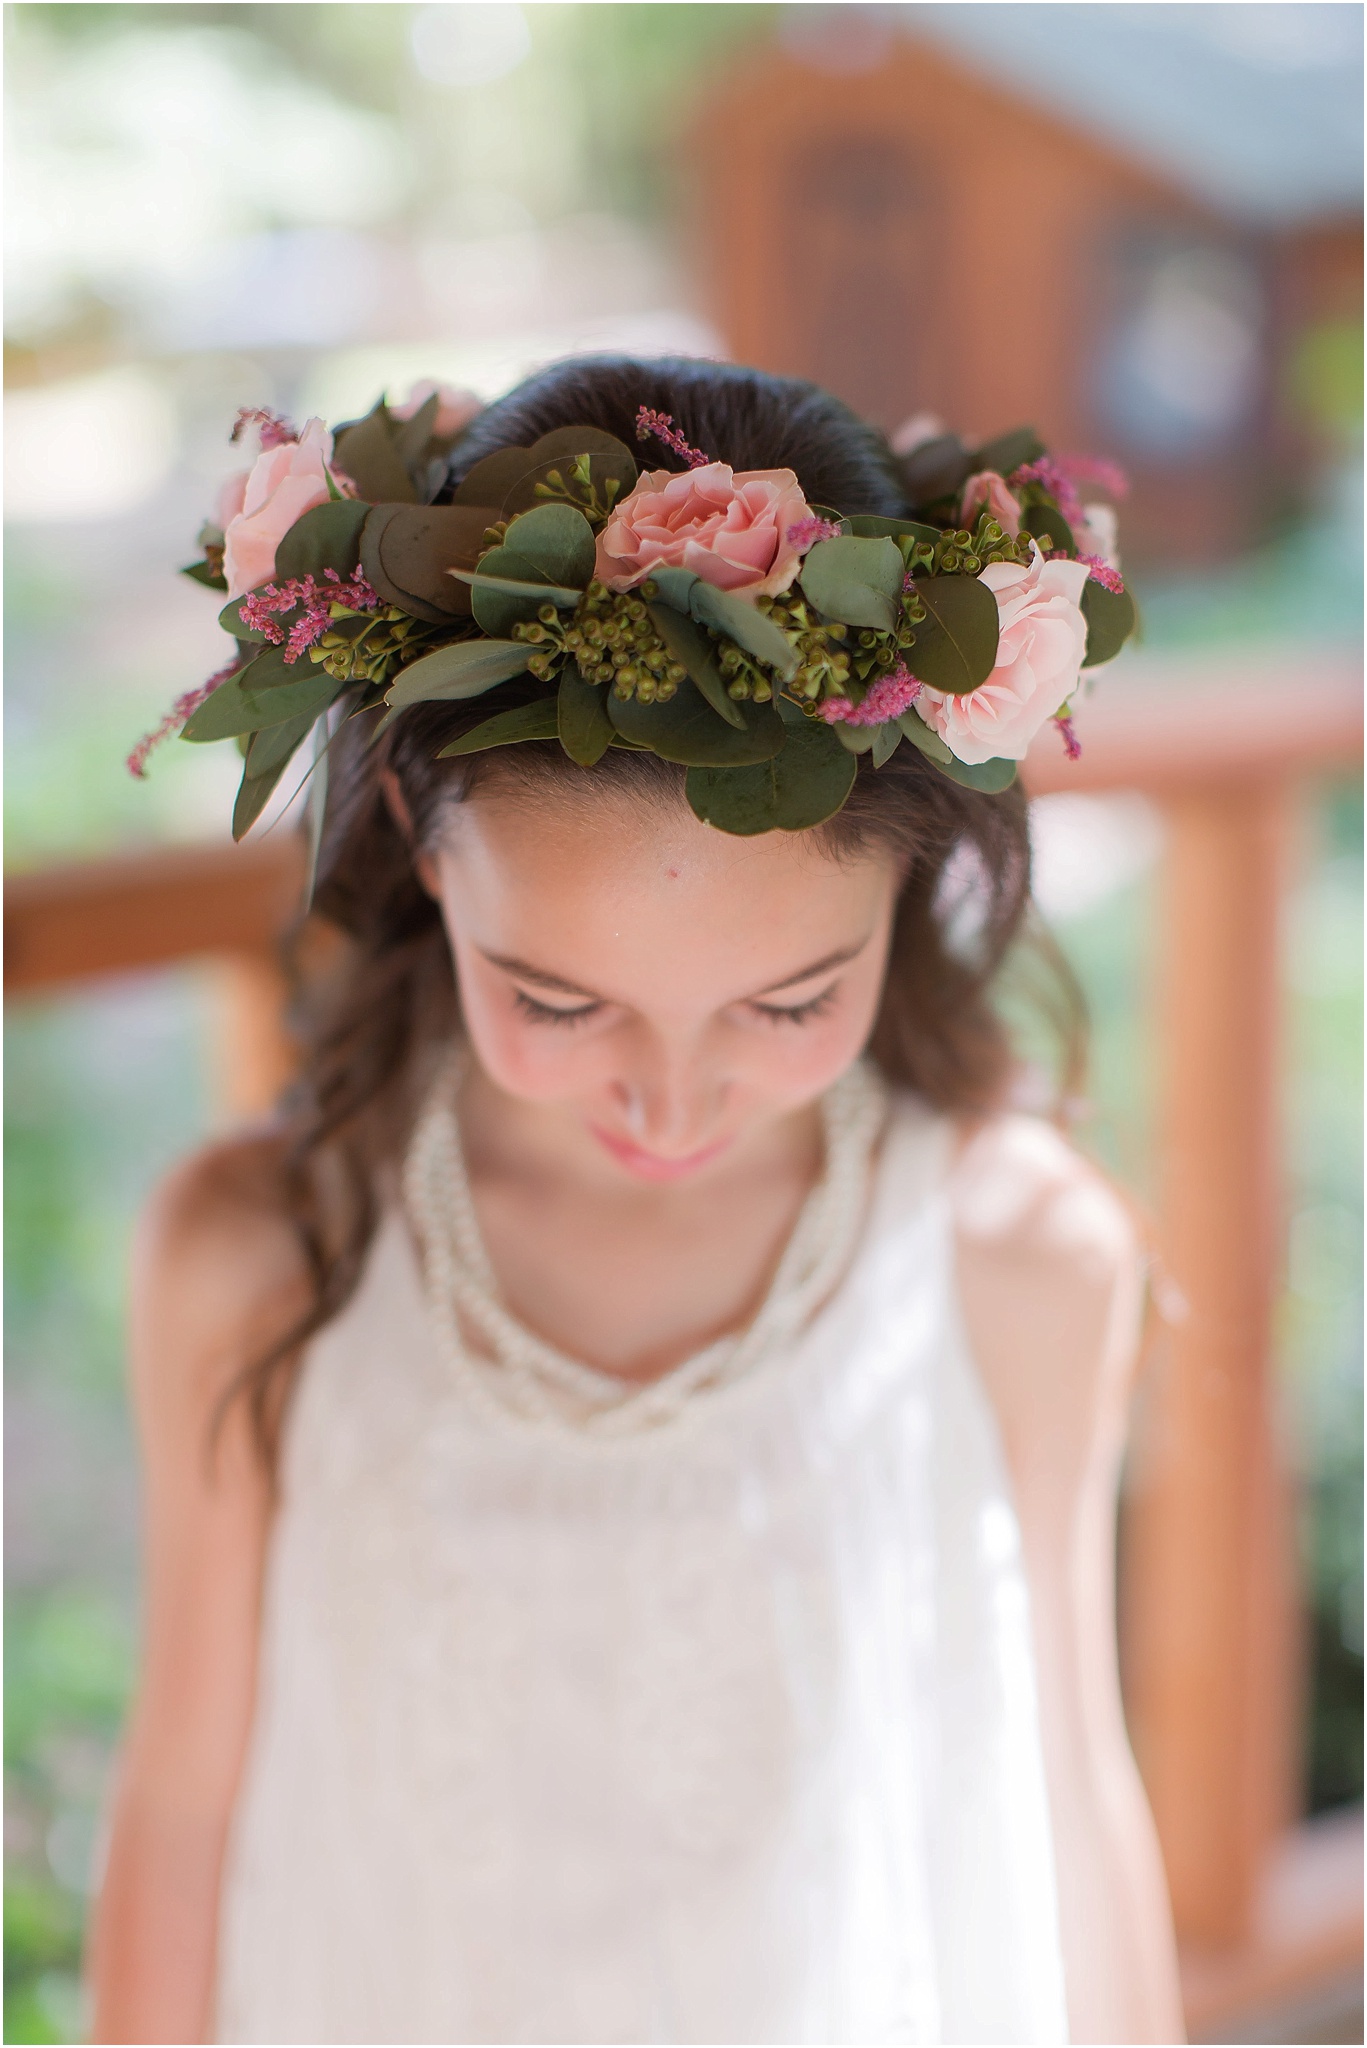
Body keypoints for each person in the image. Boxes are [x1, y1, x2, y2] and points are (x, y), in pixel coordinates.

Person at [90, 356, 1182, 2043]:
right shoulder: (264, 1254)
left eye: (786, 1004)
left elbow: (1062, 1783)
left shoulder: (1015, 1257)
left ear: (918, 880)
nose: (670, 1102)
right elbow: (181, 1810)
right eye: (559, 1001)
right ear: (414, 829)